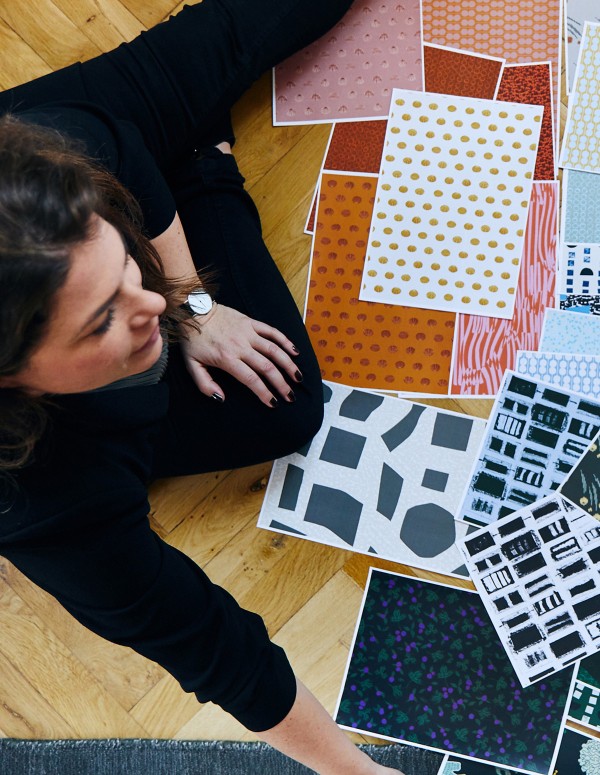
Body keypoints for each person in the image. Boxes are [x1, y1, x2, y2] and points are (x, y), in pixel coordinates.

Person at [0, 2, 405, 773]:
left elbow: (113, 148)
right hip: (64, 426)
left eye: (123, 267)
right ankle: (201, 159)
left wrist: (193, 302)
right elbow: (212, 644)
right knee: (285, 407)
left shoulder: (49, 165)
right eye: (100, 321)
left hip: (79, 139)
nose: (144, 305)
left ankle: (177, 164)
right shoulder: (42, 506)